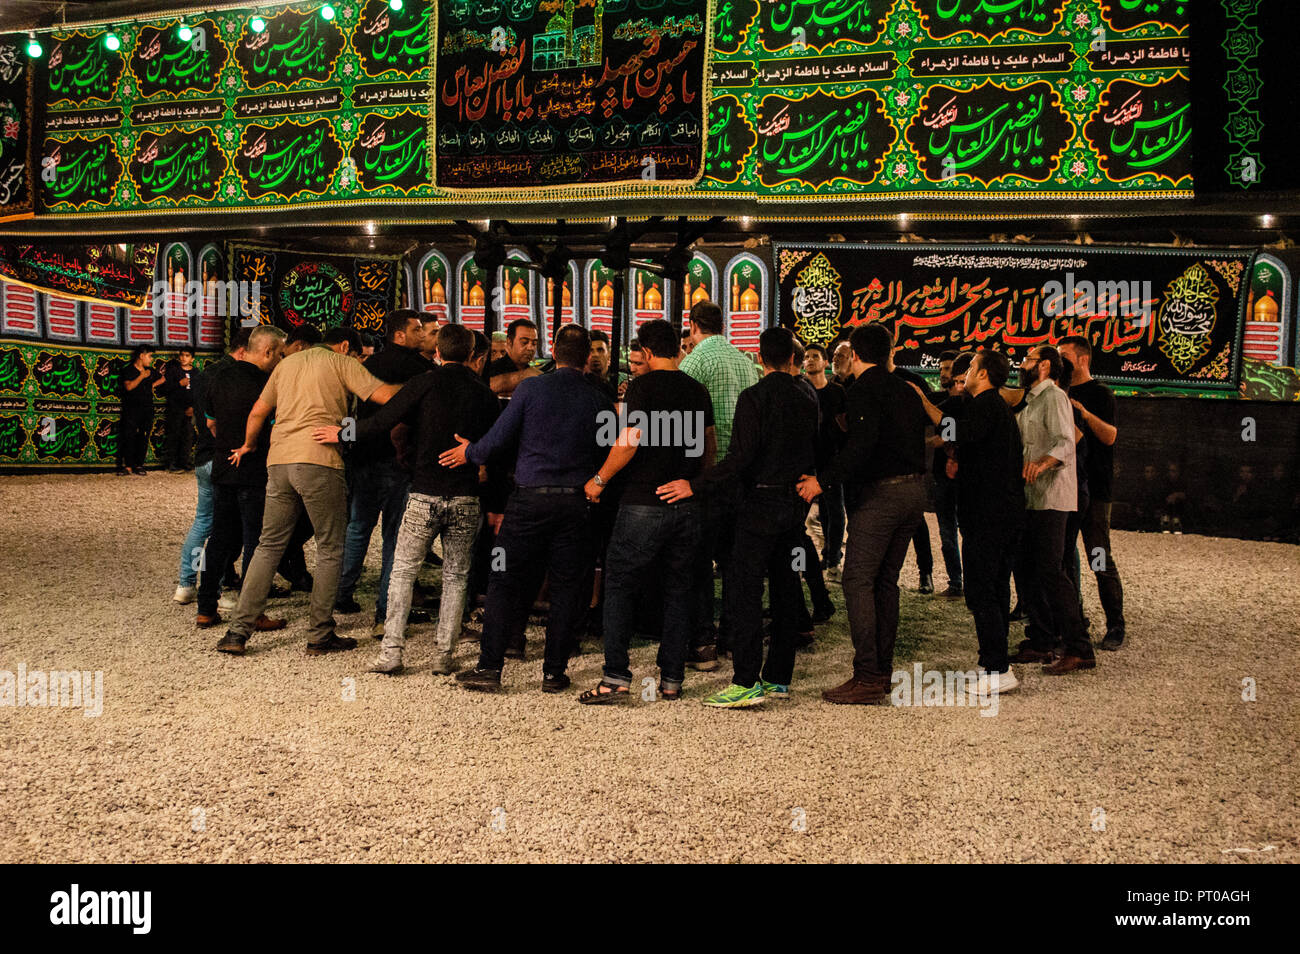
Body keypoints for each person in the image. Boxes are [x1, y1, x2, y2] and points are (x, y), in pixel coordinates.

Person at [317, 323, 499, 675]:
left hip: (424, 493)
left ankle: (392, 654)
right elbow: (497, 442)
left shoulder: (424, 382)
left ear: (437, 353)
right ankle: (444, 657)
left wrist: (341, 432)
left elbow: (383, 420)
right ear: (474, 356)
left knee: (402, 571)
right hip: (464, 496)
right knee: (456, 576)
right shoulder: (484, 393)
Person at [442, 324, 612, 693]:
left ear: (552, 351)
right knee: (568, 587)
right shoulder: (599, 397)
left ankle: (489, 668)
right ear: (587, 357)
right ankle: (554, 672)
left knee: (503, 578)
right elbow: (608, 449)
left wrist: (469, 452)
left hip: (528, 504)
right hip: (575, 505)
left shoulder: (532, 388)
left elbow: (498, 440)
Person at [214, 327, 400, 656]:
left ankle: (237, 632)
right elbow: (386, 397)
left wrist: (248, 444)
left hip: (279, 462)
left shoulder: (286, 365)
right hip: (319, 461)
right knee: (330, 548)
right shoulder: (342, 362)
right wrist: (426, 386)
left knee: (267, 546)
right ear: (345, 346)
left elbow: (258, 411)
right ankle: (320, 634)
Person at [660, 327, 816, 708]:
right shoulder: (808, 396)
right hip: (794, 504)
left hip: (758, 506)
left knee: (744, 591)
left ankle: (747, 680)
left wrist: (697, 484)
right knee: (784, 588)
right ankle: (779, 676)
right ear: (794, 359)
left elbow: (740, 459)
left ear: (759, 359)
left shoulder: (755, 397)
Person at [578, 320, 715, 704]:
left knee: (620, 586)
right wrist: (695, 485)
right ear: (677, 349)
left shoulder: (642, 387)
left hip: (642, 504)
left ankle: (615, 678)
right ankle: (671, 679)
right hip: (685, 504)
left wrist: (599, 480)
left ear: (649, 353)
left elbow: (629, 440)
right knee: (678, 589)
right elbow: (709, 447)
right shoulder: (696, 390)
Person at [798, 324, 927, 705]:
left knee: (857, 579)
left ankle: (868, 675)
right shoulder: (904, 389)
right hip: (913, 493)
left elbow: (862, 448)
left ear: (854, 354)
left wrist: (821, 481)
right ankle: (881, 671)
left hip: (882, 497)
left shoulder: (864, 391)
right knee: (884, 582)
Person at [336, 310, 432, 636]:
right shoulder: (422, 370)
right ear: (400, 335)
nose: (424, 334)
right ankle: (384, 615)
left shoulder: (368, 366)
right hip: (398, 462)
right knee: (395, 539)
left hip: (364, 457)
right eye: (418, 329)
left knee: (357, 528)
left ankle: (340, 595)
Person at [679, 300, 760, 671]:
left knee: (698, 561)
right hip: (741, 475)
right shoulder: (746, 361)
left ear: (693, 325)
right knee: (733, 561)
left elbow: (684, 419)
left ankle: (702, 643)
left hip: (707, 474)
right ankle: (731, 636)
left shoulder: (695, 361)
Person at [194, 327, 289, 633]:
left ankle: (206, 608)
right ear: (267, 352)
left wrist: (228, 444)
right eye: (280, 354)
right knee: (255, 542)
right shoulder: (267, 383)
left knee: (219, 540)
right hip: (253, 471)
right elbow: (272, 427)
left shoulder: (217, 376)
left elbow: (210, 422)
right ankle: (253, 612)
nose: (281, 359)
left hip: (223, 467)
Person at [1008, 346, 1095, 675]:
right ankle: (1041, 639)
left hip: (1053, 497)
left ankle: (1079, 647)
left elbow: (1065, 441)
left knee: (1051, 571)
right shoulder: (1031, 401)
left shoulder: (1055, 397)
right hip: (1033, 497)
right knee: (1029, 568)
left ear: (1044, 366)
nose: (1023, 364)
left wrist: (1042, 464)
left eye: (1028, 359)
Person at [951, 352, 1023, 697]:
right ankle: (992, 660)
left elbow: (956, 436)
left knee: (982, 589)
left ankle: (998, 669)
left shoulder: (984, 407)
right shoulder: (997, 408)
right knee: (995, 587)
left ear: (981, 374)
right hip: (1002, 514)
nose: (963, 374)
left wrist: (924, 405)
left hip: (987, 516)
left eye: (968, 368)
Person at [1058, 335, 1126, 650]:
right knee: (1064, 560)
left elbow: (1110, 436)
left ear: (1082, 359)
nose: (1060, 362)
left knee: (1098, 558)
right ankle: (1075, 623)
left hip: (1096, 489)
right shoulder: (1060, 392)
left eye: (1065, 356)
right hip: (1067, 488)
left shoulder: (1100, 394)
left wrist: (1083, 413)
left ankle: (1116, 625)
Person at [174, 329, 249, 604]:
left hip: (203, 457)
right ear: (243, 351)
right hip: (222, 459)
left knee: (203, 523)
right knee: (224, 530)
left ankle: (186, 585)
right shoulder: (235, 375)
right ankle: (213, 592)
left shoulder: (204, 373)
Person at [802, 342, 847, 578]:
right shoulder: (799, 389)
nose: (810, 360)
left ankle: (832, 560)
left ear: (825, 362)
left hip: (830, 460)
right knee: (799, 514)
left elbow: (844, 426)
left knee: (834, 512)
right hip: (805, 462)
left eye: (815, 356)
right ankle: (799, 563)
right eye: (807, 356)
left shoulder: (837, 392)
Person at [930, 351, 969, 598]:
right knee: (946, 531)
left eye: (951, 371)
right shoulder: (942, 403)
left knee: (968, 529)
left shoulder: (971, 404)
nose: (945, 375)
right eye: (943, 371)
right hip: (942, 476)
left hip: (966, 477)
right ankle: (956, 581)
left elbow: (950, 434)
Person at [116, 345, 163, 475]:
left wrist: (152, 385)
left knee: (143, 437)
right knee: (129, 436)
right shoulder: (129, 370)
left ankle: (139, 465)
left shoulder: (150, 370)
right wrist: (142, 376)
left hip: (147, 409)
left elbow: (163, 378)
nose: (151, 359)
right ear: (142, 356)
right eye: (150, 356)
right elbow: (129, 387)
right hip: (131, 410)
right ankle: (128, 467)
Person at [487, 318, 540, 400]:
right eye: (524, 342)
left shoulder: (534, 372)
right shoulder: (492, 369)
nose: (530, 348)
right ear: (509, 342)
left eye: (534, 343)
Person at [160, 348, 195, 471]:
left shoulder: (196, 372)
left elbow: (199, 391)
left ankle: (184, 463)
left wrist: (193, 407)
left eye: (187, 355)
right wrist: (179, 384)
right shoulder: (173, 371)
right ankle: (169, 463)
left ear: (192, 359)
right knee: (173, 435)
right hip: (175, 408)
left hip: (189, 410)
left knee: (187, 436)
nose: (183, 358)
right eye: (182, 355)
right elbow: (164, 389)